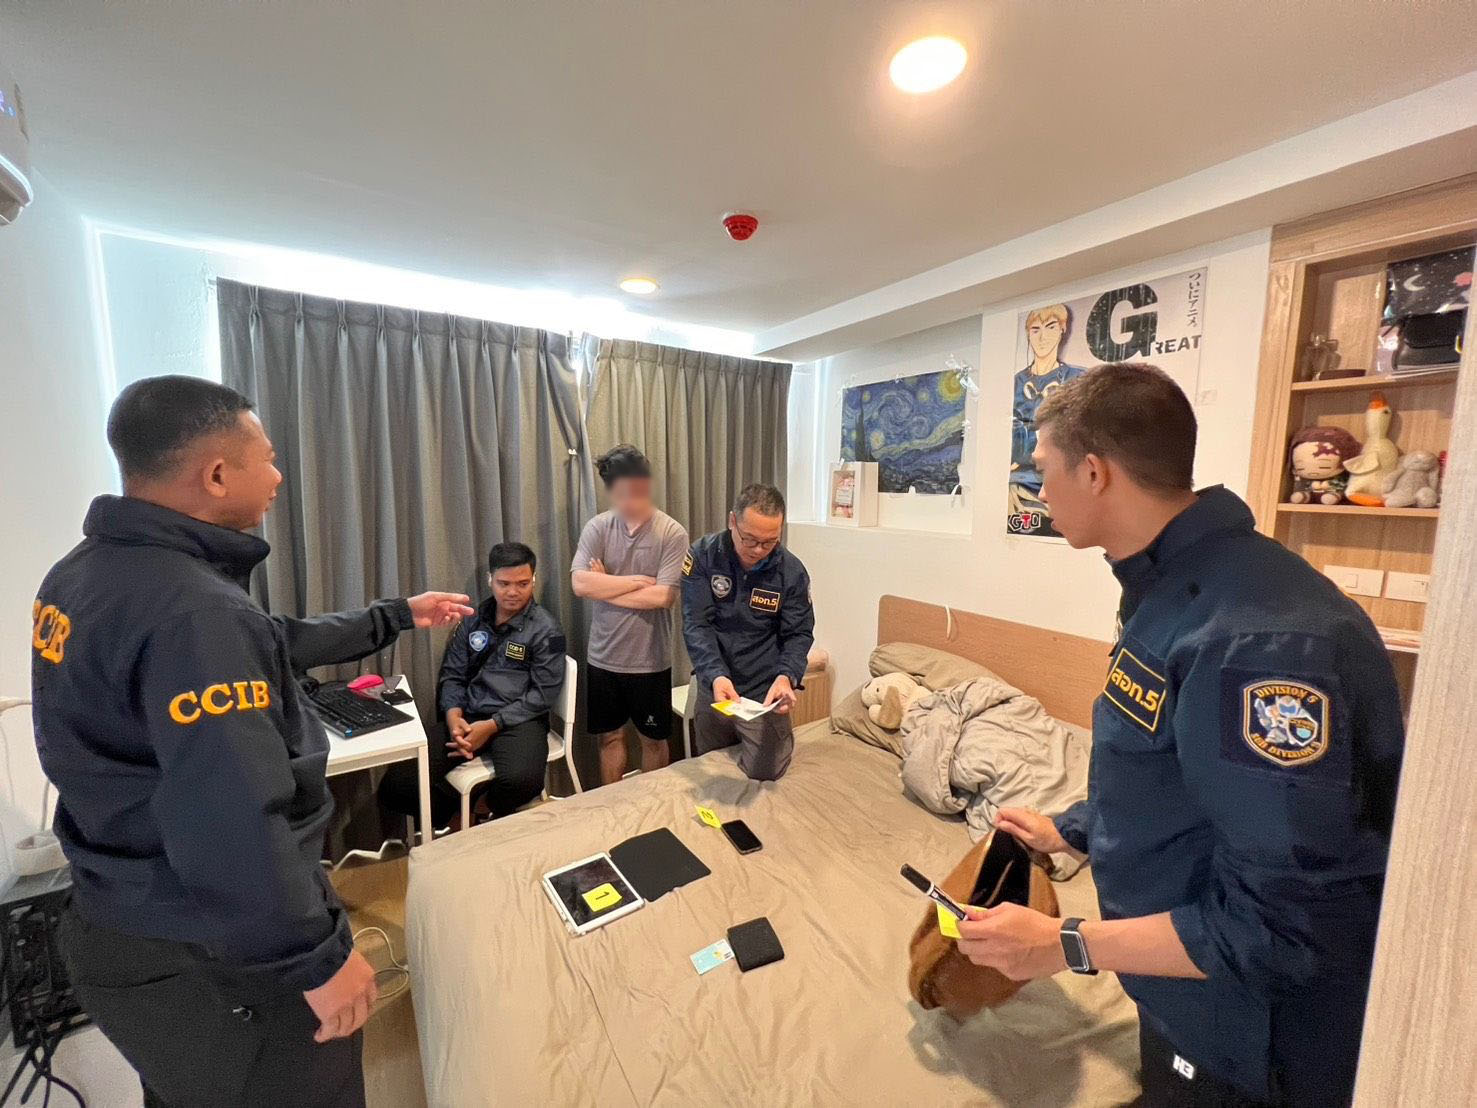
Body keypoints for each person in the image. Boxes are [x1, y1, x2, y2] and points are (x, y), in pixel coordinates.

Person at [955, 363, 1404, 1107]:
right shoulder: (1167, 589)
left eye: (1041, 469)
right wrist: (1071, 829)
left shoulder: (1255, 641)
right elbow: (1170, 771)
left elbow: (1283, 927)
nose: (1037, 489)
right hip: (1177, 986)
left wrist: (1064, 945)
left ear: (1093, 472)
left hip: (1248, 1035)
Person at [30, 375, 474, 1108]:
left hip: (117, 919)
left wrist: (394, 615)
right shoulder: (193, 610)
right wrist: (315, 959)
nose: (276, 476)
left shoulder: (83, 575)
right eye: (266, 458)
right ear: (215, 474)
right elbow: (230, 817)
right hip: (212, 948)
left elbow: (268, 640)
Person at [382, 541, 567, 825]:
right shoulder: (472, 620)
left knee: (523, 780)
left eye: (522, 583)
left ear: (533, 580)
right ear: (490, 579)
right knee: (396, 785)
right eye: (504, 583)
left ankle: (483, 807)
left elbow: (543, 694)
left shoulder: (547, 629)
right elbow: (452, 674)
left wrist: (492, 725)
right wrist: (453, 716)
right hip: (469, 715)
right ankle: (458, 815)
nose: (513, 592)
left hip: (519, 719)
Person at [571, 445, 689, 784]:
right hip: (603, 657)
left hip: (650, 661)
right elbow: (580, 584)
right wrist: (633, 582)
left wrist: (606, 585)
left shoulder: (672, 533)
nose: (632, 500)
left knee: (653, 740)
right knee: (610, 739)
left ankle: (652, 805)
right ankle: (614, 804)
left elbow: (664, 596)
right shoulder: (597, 528)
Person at [681, 484, 814, 781]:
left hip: (763, 691)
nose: (758, 550)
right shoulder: (703, 556)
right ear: (732, 521)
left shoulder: (791, 572)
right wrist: (716, 675)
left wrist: (787, 676)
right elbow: (697, 624)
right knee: (712, 772)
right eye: (750, 539)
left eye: (769, 542)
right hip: (715, 684)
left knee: (767, 774)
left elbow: (799, 633)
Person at [1009, 303, 1086, 534]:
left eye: (1051, 327)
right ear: (1028, 334)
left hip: (1064, 480)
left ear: (1063, 329)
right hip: (1020, 483)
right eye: (1035, 329)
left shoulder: (1078, 379)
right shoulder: (1014, 383)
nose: (1042, 337)